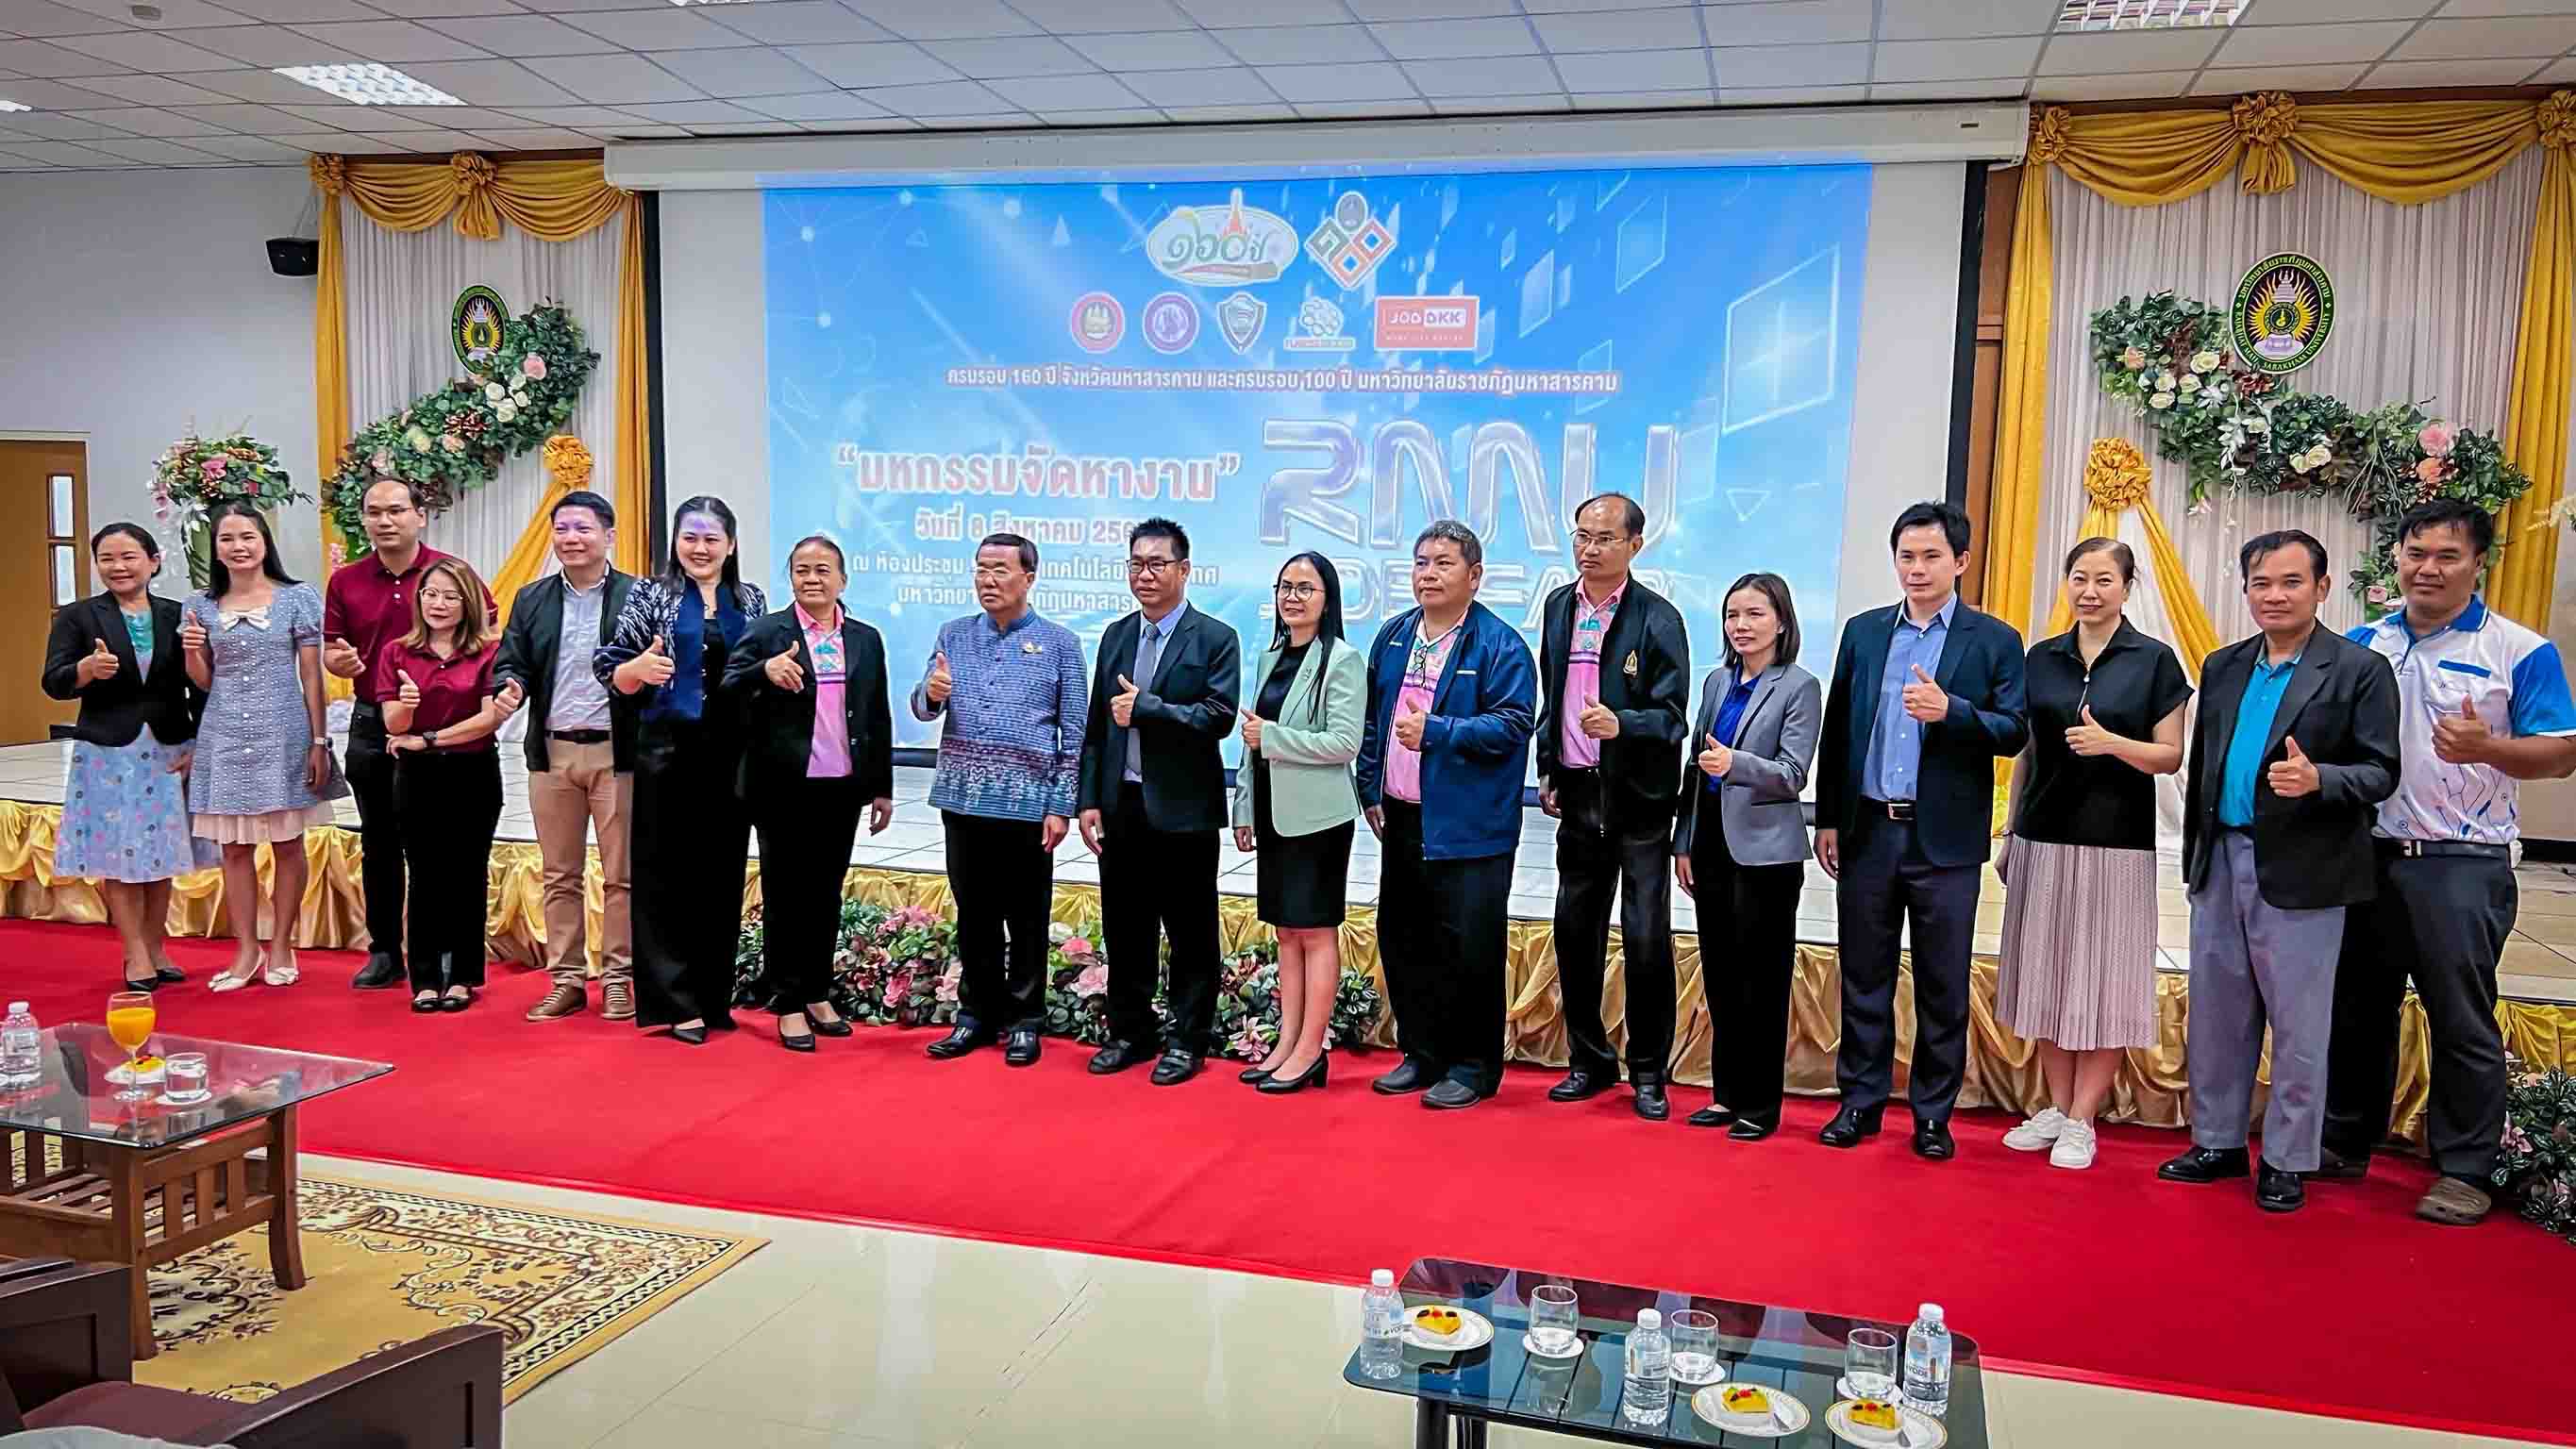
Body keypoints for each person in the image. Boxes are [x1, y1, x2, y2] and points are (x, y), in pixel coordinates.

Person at [2323, 500, 2576, 1225]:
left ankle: (2465, 1168)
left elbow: (2562, 754)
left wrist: (2489, 748)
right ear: (2396, 559)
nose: (2428, 568)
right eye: (2416, 553)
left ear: (2478, 564)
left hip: (2461, 861)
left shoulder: (2518, 649)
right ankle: (2344, 1142)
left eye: (2447, 556)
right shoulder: (2364, 643)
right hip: (2367, 854)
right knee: (2356, 1008)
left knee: (2460, 1017)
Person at [2162, 529, 2398, 1214]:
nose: (2274, 595)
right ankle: (2217, 1142)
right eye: (2261, 583)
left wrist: (2321, 779)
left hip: (2305, 870)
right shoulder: (2223, 665)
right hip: (2222, 861)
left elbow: (2382, 770)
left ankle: (2289, 1158)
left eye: (2291, 582)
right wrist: (2197, 860)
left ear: (2321, 588)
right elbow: (2206, 770)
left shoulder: (2358, 670)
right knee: (2217, 1015)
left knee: (2299, 1025)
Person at [1814, 500, 2028, 1159]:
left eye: (1931, 556)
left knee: (1943, 981)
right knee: (1864, 974)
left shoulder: (1993, 639)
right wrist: (1829, 817)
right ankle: (1860, 1101)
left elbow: (2014, 730)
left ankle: (1933, 1114)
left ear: (1960, 561)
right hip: (1869, 831)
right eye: (1906, 556)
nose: (1917, 568)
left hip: (1945, 842)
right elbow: (1839, 730)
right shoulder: (1864, 632)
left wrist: (1951, 711)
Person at [1996, 539, 2190, 1171]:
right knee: (2046, 977)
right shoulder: (2042, 658)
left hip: (2116, 845)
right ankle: (2057, 1107)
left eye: (2105, 579)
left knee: (2106, 982)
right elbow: (2029, 752)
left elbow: (2169, 756)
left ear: (2127, 588)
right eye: (2079, 577)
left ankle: (2084, 1117)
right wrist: (2011, 831)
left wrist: (2112, 743)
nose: (2090, 591)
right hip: (2042, 837)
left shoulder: (2153, 660)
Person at [1355, 520, 1537, 1111]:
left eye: (1443, 563)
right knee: (1405, 937)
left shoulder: (1500, 645)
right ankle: (1422, 1052)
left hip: (1469, 825)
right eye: (1421, 563)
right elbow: (1373, 720)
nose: (1428, 574)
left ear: (1475, 576)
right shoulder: (1394, 635)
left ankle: (1474, 1066)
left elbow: (1513, 725)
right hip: (1402, 817)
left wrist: (1437, 731)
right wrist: (1369, 787)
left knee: (1470, 947)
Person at [1535, 492, 1690, 1121]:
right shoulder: (1558, 606)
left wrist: (1622, 723)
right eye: (1581, 536)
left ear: (1634, 545)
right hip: (1577, 797)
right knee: (1575, 931)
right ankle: (1588, 1060)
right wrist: (1549, 766)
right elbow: (1552, 694)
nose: (1589, 548)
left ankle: (1649, 1070)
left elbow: (1673, 719)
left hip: (1639, 803)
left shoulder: (1658, 618)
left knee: (1646, 937)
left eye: (1604, 538)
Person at [912, 532, 1088, 1067]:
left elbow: (1075, 733)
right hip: (963, 800)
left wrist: (1060, 804)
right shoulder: (954, 634)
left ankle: (1025, 1019)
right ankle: (975, 1015)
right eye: (981, 569)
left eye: (1000, 570)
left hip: (1028, 806)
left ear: (1028, 578)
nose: (987, 580)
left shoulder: (1060, 644)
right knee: (974, 916)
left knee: (1027, 918)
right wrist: (930, 695)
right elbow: (923, 705)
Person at [1077, 519, 1241, 1087]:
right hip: (1121, 805)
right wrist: (1089, 800)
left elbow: (1218, 717)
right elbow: (1098, 726)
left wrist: (1147, 708)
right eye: (1136, 564)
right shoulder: (1117, 635)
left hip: (1184, 811)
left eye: (1157, 564)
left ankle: (1188, 1040)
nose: (1145, 575)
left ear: (1184, 569)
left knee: (1191, 932)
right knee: (1126, 927)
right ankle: (1130, 1032)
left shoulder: (1215, 637)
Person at [596, 496, 765, 1047]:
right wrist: (637, 668)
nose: (700, 548)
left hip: (731, 756)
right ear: (675, 541)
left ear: (731, 545)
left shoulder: (750, 599)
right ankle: (675, 1003)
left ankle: (712, 997)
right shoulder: (650, 594)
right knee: (665, 877)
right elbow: (609, 667)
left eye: (712, 538)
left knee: (720, 877)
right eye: (690, 537)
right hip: (668, 752)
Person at [728, 534, 895, 1054]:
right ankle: (787, 1001)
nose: (812, 578)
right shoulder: (767, 631)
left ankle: (817, 992)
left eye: (823, 569)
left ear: (842, 579)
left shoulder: (865, 638)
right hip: (782, 787)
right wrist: (764, 671)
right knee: (785, 895)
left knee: (825, 892)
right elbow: (728, 688)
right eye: (802, 569)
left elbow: (876, 712)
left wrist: (882, 786)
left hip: (841, 786)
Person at [1670, 572, 1820, 1141]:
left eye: (1755, 614)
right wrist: (1684, 841)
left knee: (1762, 980)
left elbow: (1792, 773)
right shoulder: (1716, 682)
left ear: (1781, 621)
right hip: (1710, 843)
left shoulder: (1799, 686)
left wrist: (1736, 764)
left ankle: (1760, 1104)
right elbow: (1695, 768)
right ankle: (1727, 1094)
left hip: (1767, 855)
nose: (1741, 625)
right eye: (1733, 614)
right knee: (1722, 975)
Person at [323, 477, 487, 992]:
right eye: (374, 512)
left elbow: (483, 638)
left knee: (445, 849)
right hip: (375, 722)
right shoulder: (346, 581)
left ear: (420, 515)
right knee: (380, 841)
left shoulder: (451, 574)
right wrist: (338, 662)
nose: (385, 521)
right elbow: (332, 650)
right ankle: (385, 951)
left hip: (445, 730)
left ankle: (445, 955)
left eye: (396, 510)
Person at [42, 523, 213, 990]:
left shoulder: (178, 615)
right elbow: (54, 681)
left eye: (128, 557)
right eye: (107, 559)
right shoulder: (78, 617)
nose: (118, 567)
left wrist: (200, 744)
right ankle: (135, 953)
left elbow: (203, 687)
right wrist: (85, 669)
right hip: (107, 752)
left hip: (168, 747)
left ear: (153, 562)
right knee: (120, 855)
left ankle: (156, 947)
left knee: (162, 854)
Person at [492, 490, 640, 1024]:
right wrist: (509, 686)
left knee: (621, 875)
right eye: (562, 529)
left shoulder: (638, 596)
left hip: (617, 754)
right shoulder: (532, 598)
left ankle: (619, 978)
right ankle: (567, 980)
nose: (571, 539)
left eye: (583, 528)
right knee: (560, 874)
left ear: (609, 536)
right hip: (552, 754)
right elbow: (511, 660)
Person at [181, 502, 335, 992]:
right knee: (234, 849)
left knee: (288, 844)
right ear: (215, 550)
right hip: (223, 734)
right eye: (227, 539)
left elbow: (312, 675)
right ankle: (246, 949)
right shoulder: (201, 605)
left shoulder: (297, 598)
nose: (238, 547)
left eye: (247, 536)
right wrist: (192, 651)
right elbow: (204, 680)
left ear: (265, 542)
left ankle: (283, 944)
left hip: (284, 732)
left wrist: (319, 741)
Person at [1232, 552, 1365, 1095]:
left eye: (1305, 588)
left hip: (1319, 818)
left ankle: (1312, 1049)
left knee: (1314, 930)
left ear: (1327, 599)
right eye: (1285, 587)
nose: (1292, 597)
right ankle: (1286, 1043)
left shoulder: (1343, 660)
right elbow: (1249, 742)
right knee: (1286, 932)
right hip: (1272, 812)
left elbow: (1344, 743)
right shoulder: (1271, 657)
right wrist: (1244, 808)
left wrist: (1273, 738)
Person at [377, 557, 508, 1013]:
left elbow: (489, 719)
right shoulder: (397, 652)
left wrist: (429, 738)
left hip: (473, 771)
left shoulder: (489, 652)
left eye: (451, 596)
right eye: (431, 594)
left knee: (468, 873)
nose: (438, 604)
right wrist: (408, 706)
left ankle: (463, 977)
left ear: (468, 603)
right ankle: (426, 978)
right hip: (418, 776)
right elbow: (393, 725)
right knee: (424, 874)